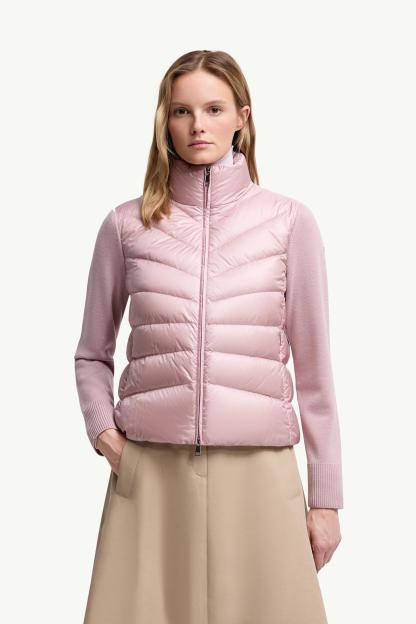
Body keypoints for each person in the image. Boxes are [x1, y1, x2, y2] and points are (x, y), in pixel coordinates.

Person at [74, 49, 343, 624]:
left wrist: (326, 499)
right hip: (152, 474)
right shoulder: (126, 225)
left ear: (242, 116)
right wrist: (107, 438)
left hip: (260, 472)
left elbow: (316, 376)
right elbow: (91, 354)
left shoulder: (288, 222)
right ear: (165, 121)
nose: (198, 125)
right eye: (182, 111)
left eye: (214, 109)